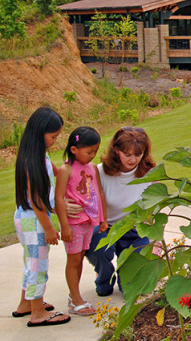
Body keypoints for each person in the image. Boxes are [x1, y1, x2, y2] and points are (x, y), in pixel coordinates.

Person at [76, 127, 155, 296]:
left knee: (130, 290)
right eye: (127, 154)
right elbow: (83, 197)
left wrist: (153, 234)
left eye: (138, 154)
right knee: (97, 248)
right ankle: (104, 277)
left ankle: (125, 273)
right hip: (107, 227)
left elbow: (155, 207)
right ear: (117, 150)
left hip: (134, 229)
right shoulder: (100, 172)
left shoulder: (149, 174)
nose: (133, 159)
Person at [13, 107, 71, 327]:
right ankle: (37, 312)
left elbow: (54, 171)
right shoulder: (32, 159)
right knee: (38, 265)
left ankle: (25, 304)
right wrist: (48, 228)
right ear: (39, 133)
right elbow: (36, 198)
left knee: (31, 262)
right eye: (53, 136)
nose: (55, 141)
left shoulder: (37, 153)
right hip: (33, 219)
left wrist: (65, 172)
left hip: (27, 217)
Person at [54, 126, 107, 316]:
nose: (93, 155)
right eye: (89, 151)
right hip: (74, 223)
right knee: (73, 260)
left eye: (95, 151)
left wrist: (103, 219)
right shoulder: (65, 170)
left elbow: (98, 192)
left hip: (88, 222)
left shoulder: (92, 168)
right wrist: (65, 226)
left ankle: (74, 296)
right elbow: (59, 199)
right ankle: (75, 300)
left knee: (80, 258)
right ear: (74, 149)